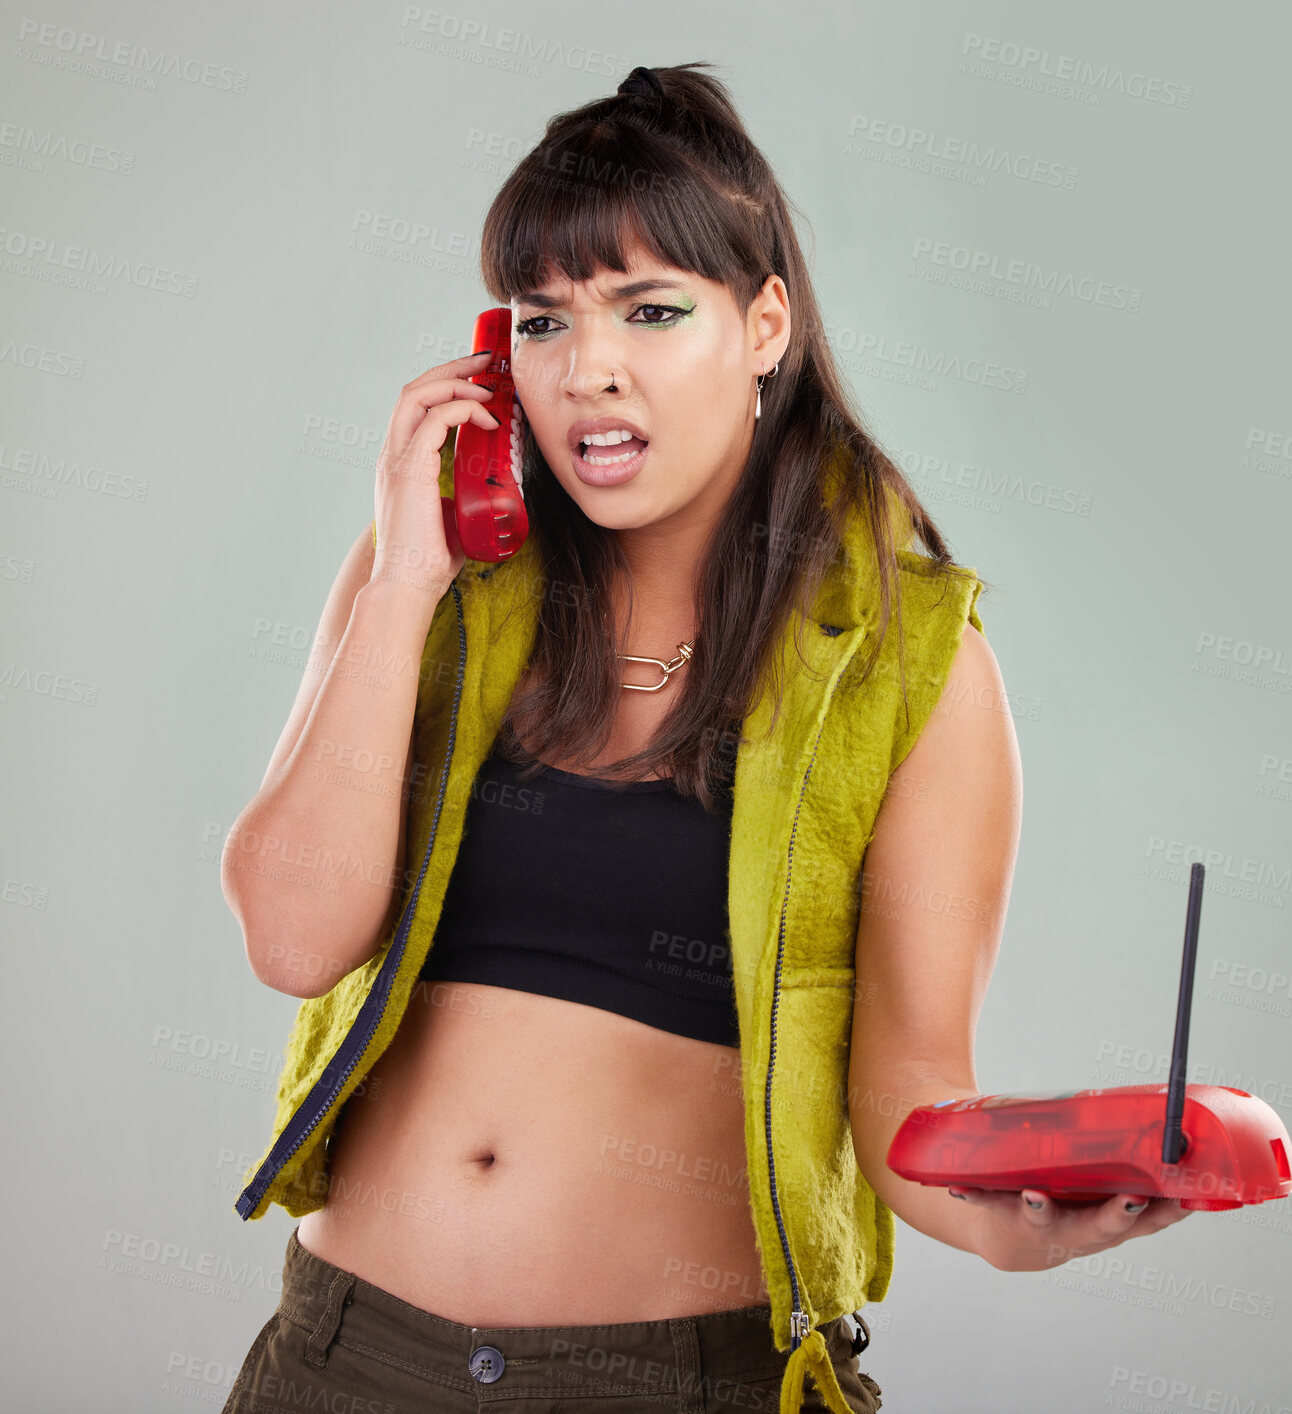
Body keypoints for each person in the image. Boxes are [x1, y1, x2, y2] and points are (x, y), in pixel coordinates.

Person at [218, 62, 1193, 1414]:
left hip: (680, 1386)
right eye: (544, 323)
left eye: (651, 310)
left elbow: (908, 1094)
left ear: (763, 326)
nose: (588, 371)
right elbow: (292, 939)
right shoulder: (425, 587)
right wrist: (402, 583)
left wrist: (1014, 1221)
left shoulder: (908, 666)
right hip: (348, 1363)